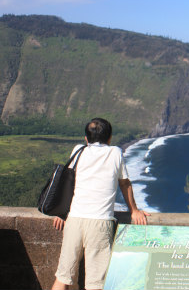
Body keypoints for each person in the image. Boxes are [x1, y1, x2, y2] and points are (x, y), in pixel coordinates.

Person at [52, 118, 150, 290]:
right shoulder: (115, 153)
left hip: (74, 220)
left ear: (86, 139)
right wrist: (134, 210)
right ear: (110, 138)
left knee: (63, 277)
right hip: (100, 222)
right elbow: (124, 183)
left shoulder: (78, 151)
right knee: (95, 284)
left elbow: (69, 183)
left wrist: (62, 212)